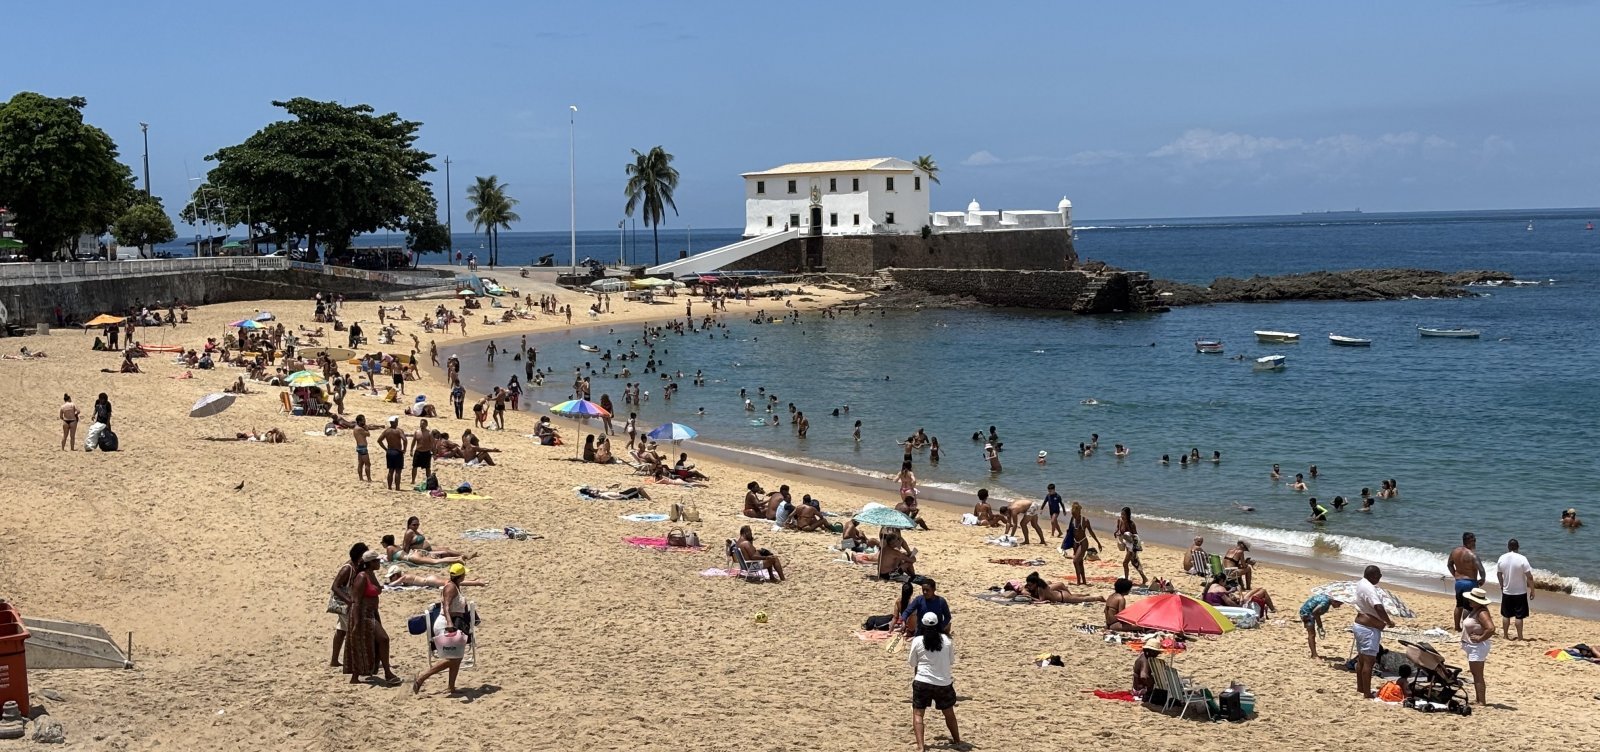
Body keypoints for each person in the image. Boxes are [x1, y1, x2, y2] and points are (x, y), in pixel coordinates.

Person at [413, 563, 484, 695]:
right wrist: (450, 624)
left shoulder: (455, 585)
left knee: (457, 656)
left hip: (453, 623)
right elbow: (446, 606)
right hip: (445, 624)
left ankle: (451, 687)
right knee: (453, 658)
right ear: (461, 576)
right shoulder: (451, 588)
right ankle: (422, 678)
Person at [344, 549, 401, 685]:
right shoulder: (362, 577)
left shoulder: (371, 575)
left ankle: (356, 676)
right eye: (377, 561)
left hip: (371, 613)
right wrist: (357, 622)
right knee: (382, 639)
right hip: (362, 614)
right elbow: (356, 600)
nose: (379, 563)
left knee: (366, 643)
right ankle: (387, 673)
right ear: (371, 563)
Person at [906, 612, 961, 752]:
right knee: (949, 712)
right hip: (943, 682)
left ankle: (921, 746)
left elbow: (912, 663)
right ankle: (957, 740)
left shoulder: (918, 641)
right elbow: (951, 661)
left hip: (922, 681)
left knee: (918, 714)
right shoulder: (947, 641)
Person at [1354, 565, 1396, 699]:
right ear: (1372, 576)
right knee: (1369, 662)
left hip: (1360, 624)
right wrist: (1388, 621)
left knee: (1361, 658)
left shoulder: (1361, 583)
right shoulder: (1370, 588)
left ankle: (1361, 687)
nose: (1380, 577)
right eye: (1379, 575)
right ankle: (1367, 693)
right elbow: (1378, 606)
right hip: (1368, 629)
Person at [329, 542, 368, 667]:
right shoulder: (348, 568)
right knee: (354, 631)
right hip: (346, 604)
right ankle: (355, 661)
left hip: (349, 603)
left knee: (341, 631)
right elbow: (335, 586)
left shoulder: (358, 566)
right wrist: (348, 601)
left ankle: (334, 660)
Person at [1459, 587, 1493, 705]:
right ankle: (1479, 699)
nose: (1469, 601)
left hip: (1477, 647)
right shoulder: (1475, 610)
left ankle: (1481, 701)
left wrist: (1480, 638)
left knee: (1478, 674)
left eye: (1471, 599)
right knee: (1475, 673)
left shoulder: (1482, 612)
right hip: (1473, 646)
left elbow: (1491, 628)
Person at [1495, 539, 1534, 640]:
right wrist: (1533, 590)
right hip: (1520, 592)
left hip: (1507, 591)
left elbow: (1499, 573)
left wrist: (1501, 585)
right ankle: (1520, 637)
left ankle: (1505, 635)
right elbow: (1529, 577)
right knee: (1519, 616)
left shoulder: (1502, 558)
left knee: (1506, 615)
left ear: (1508, 547)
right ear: (1518, 547)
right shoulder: (1522, 558)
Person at [1448, 532, 1485, 630]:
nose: (1475, 543)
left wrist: (1455, 575)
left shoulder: (1454, 552)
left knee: (1459, 605)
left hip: (1459, 582)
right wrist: (1482, 579)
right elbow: (1481, 570)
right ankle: (1465, 627)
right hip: (1470, 583)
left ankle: (1457, 627)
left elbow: (1449, 564)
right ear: (1469, 541)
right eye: (1474, 541)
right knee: (1468, 607)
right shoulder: (1472, 555)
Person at [1064, 502, 1102, 585]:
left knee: (1075, 561)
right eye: (1073, 514)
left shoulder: (1085, 521)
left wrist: (1098, 542)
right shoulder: (1072, 519)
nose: (1074, 516)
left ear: (1079, 512)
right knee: (1080, 562)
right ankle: (1084, 581)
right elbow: (1070, 531)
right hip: (1075, 542)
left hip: (1083, 542)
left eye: (1075, 514)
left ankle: (1078, 582)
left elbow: (1091, 532)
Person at [1202, 574, 1276, 614]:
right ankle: (1273, 609)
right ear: (1221, 581)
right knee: (1263, 591)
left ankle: (1271, 609)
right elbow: (1232, 605)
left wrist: (1232, 594)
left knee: (1259, 589)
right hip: (1237, 606)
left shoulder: (1210, 587)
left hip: (1215, 606)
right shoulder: (1221, 589)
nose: (1225, 584)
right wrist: (1240, 595)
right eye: (1225, 582)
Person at [1298, 592, 1342, 659]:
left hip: (1308, 612)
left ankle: (1314, 654)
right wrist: (1319, 625)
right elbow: (1315, 612)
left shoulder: (1327, 599)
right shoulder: (1325, 603)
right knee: (1312, 634)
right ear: (1334, 601)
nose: (1339, 606)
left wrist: (1319, 625)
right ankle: (1314, 655)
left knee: (1312, 634)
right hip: (1307, 613)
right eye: (1339, 604)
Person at [1022, 571, 1105, 604]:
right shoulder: (1041, 585)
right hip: (1060, 593)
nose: (1029, 586)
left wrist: (1030, 598)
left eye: (1030, 585)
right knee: (1075, 597)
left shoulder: (1040, 589)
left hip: (1062, 597)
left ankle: (1098, 598)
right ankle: (1088, 595)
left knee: (1082, 600)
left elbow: (1041, 600)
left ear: (1035, 583)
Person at [1114, 507, 1147, 586]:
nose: (1122, 516)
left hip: (1132, 545)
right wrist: (1116, 532)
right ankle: (1144, 578)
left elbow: (1136, 536)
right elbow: (1118, 529)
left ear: (1128, 515)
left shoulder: (1131, 524)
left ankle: (1126, 580)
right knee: (1134, 562)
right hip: (1126, 544)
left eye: (1124, 515)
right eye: (1121, 514)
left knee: (1125, 563)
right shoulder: (1120, 521)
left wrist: (1129, 535)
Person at [378, 416, 407, 491]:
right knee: (398, 471)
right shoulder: (399, 431)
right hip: (397, 451)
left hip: (390, 451)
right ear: (395, 422)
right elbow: (405, 440)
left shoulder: (386, 431)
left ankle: (389, 487)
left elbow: (379, 440)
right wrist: (404, 449)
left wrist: (385, 449)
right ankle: (397, 488)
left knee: (390, 471)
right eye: (397, 421)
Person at [410, 419, 433, 485]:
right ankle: (413, 480)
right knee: (414, 466)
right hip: (418, 451)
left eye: (423, 424)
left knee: (427, 468)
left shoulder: (429, 433)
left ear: (426, 425)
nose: (421, 425)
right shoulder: (417, 432)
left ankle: (428, 481)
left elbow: (432, 443)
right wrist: (411, 450)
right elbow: (413, 442)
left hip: (426, 452)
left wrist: (433, 452)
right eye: (421, 423)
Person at [352, 415, 371, 482]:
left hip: (359, 447)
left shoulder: (356, 428)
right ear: (359, 421)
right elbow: (368, 434)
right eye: (363, 420)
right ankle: (369, 479)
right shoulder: (360, 429)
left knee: (360, 463)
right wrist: (366, 428)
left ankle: (361, 478)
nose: (364, 421)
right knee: (367, 464)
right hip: (363, 448)